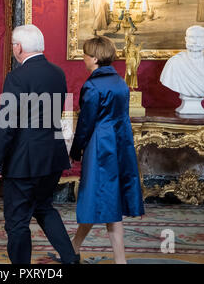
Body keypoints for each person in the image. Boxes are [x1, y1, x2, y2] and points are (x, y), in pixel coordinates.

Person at [0, 24, 79, 264]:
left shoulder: (16, 77)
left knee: (17, 222)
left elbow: (8, 125)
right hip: (52, 156)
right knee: (44, 207)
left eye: (13, 45)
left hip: (24, 161)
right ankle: (70, 258)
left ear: (18, 47)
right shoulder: (57, 73)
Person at [69, 36, 145, 264]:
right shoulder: (121, 83)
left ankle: (116, 259)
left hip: (100, 147)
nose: (83, 58)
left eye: (85, 54)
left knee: (98, 198)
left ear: (93, 57)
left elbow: (86, 123)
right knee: (107, 199)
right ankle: (74, 248)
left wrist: (75, 151)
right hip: (120, 145)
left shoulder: (93, 85)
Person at [160, 25, 204, 114]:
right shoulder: (174, 63)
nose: (194, 41)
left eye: (199, 37)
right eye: (191, 37)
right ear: (186, 39)